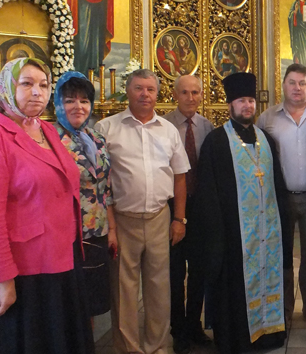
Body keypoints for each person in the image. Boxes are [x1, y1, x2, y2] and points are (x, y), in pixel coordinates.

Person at [0, 58, 94, 354]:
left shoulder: (44, 130)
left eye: (43, 85)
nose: (37, 92)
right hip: (22, 270)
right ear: (7, 87)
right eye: (27, 84)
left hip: (59, 259)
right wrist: (2, 279)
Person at [192, 72, 289, 353]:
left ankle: (268, 334)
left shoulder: (266, 139)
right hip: (233, 234)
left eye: (250, 100)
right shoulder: (216, 141)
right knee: (234, 286)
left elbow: (278, 185)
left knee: (266, 278)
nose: (247, 106)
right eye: (241, 101)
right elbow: (208, 193)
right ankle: (237, 338)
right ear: (230, 105)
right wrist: (217, 235)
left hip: (266, 231)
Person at [95, 69, 190, 354]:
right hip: (123, 219)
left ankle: (158, 346)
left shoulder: (168, 130)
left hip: (160, 217)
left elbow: (180, 177)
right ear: (128, 90)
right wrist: (110, 226)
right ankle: (127, 348)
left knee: (159, 288)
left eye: (150, 89)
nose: (144, 94)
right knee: (123, 290)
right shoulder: (106, 128)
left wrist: (179, 218)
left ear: (157, 94)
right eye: (138, 88)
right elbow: (100, 181)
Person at [258, 63, 306, 327]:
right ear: (283, 85)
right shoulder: (267, 118)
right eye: (292, 82)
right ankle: (283, 309)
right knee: (281, 255)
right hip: (279, 198)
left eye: (302, 83)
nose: (297, 88)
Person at [54, 71, 115, 322]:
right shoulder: (49, 140)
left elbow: (106, 188)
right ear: (58, 103)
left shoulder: (97, 138)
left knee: (90, 303)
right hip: (66, 235)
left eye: (84, 100)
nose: (78, 106)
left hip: (97, 231)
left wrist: (112, 230)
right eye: (70, 100)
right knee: (66, 304)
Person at [162, 75, 215, 354]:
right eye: (185, 92)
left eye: (195, 92)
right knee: (174, 271)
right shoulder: (163, 126)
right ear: (175, 95)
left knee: (198, 271)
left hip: (200, 209)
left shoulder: (207, 127)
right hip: (172, 207)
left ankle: (194, 324)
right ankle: (178, 329)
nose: (190, 98)